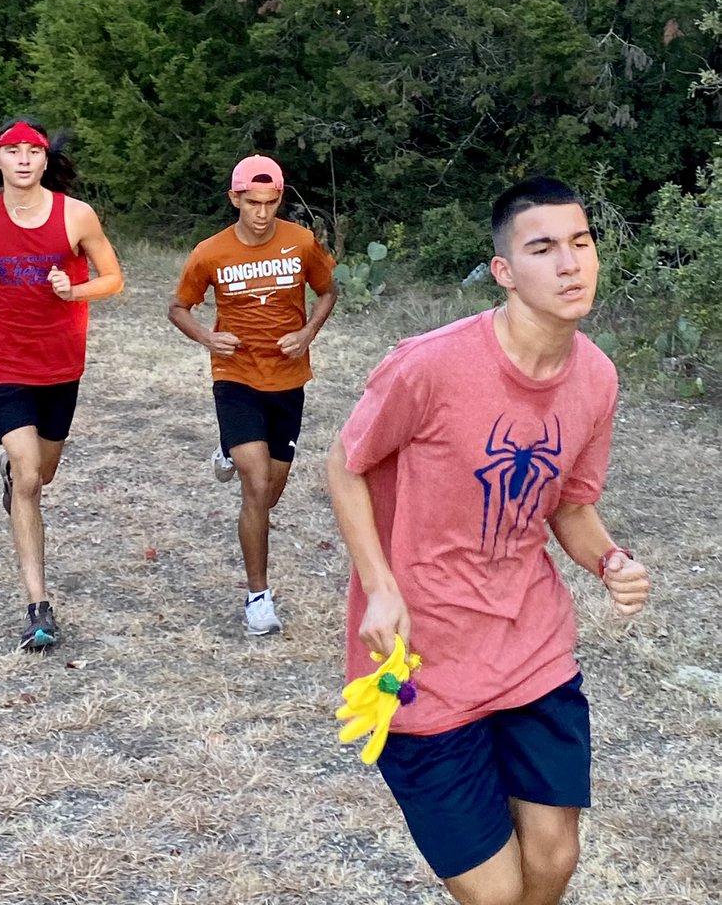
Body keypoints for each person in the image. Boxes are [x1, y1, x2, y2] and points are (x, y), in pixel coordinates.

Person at [327, 176, 650, 905]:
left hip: (531, 644)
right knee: (496, 893)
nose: (570, 264)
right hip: (423, 656)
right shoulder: (431, 364)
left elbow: (571, 507)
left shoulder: (595, 377)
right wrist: (379, 587)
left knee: (556, 858)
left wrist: (611, 560)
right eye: (543, 249)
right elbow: (345, 466)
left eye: (581, 242)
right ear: (504, 271)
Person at [0, 118, 124, 650]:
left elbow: (113, 278)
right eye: (12, 151)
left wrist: (76, 289)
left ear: (46, 160)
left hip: (61, 366)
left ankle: (14, 469)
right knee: (27, 477)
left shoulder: (76, 216)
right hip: (4, 365)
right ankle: (37, 607)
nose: (23, 159)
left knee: (41, 474)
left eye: (33, 151)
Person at [168, 155, 337, 635]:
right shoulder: (210, 252)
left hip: (288, 379)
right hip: (235, 375)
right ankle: (257, 596)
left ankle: (229, 449)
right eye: (252, 203)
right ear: (235, 199)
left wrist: (307, 333)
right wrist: (207, 336)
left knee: (268, 496)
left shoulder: (301, 242)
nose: (262, 213)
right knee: (256, 484)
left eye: (271, 203)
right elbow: (178, 308)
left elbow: (327, 292)